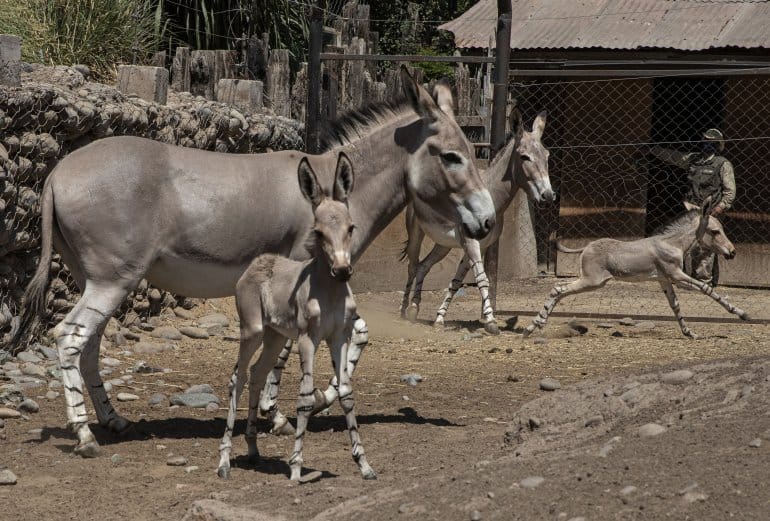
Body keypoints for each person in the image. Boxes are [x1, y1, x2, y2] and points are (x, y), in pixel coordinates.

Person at [650, 128, 736, 284]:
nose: (707, 144)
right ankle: (684, 278)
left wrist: (720, 207)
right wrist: (652, 149)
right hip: (690, 210)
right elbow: (673, 156)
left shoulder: (722, 164)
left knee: (706, 247)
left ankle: (703, 281)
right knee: (685, 242)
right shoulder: (693, 159)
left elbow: (730, 191)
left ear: (717, 145)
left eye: (711, 142)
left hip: (710, 211)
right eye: (705, 141)